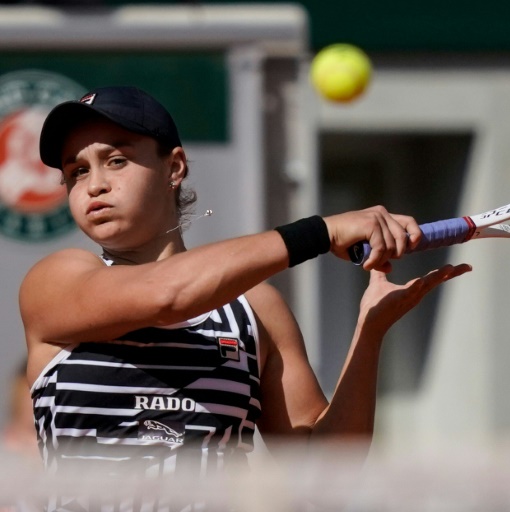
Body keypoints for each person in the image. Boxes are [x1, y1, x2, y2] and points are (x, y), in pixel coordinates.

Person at [18, 86, 470, 508]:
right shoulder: (56, 281)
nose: (94, 184)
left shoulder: (257, 309)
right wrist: (321, 231)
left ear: (174, 167)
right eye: (77, 171)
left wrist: (369, 335)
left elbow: (322, 470)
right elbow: (167, 295)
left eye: (116, 160)